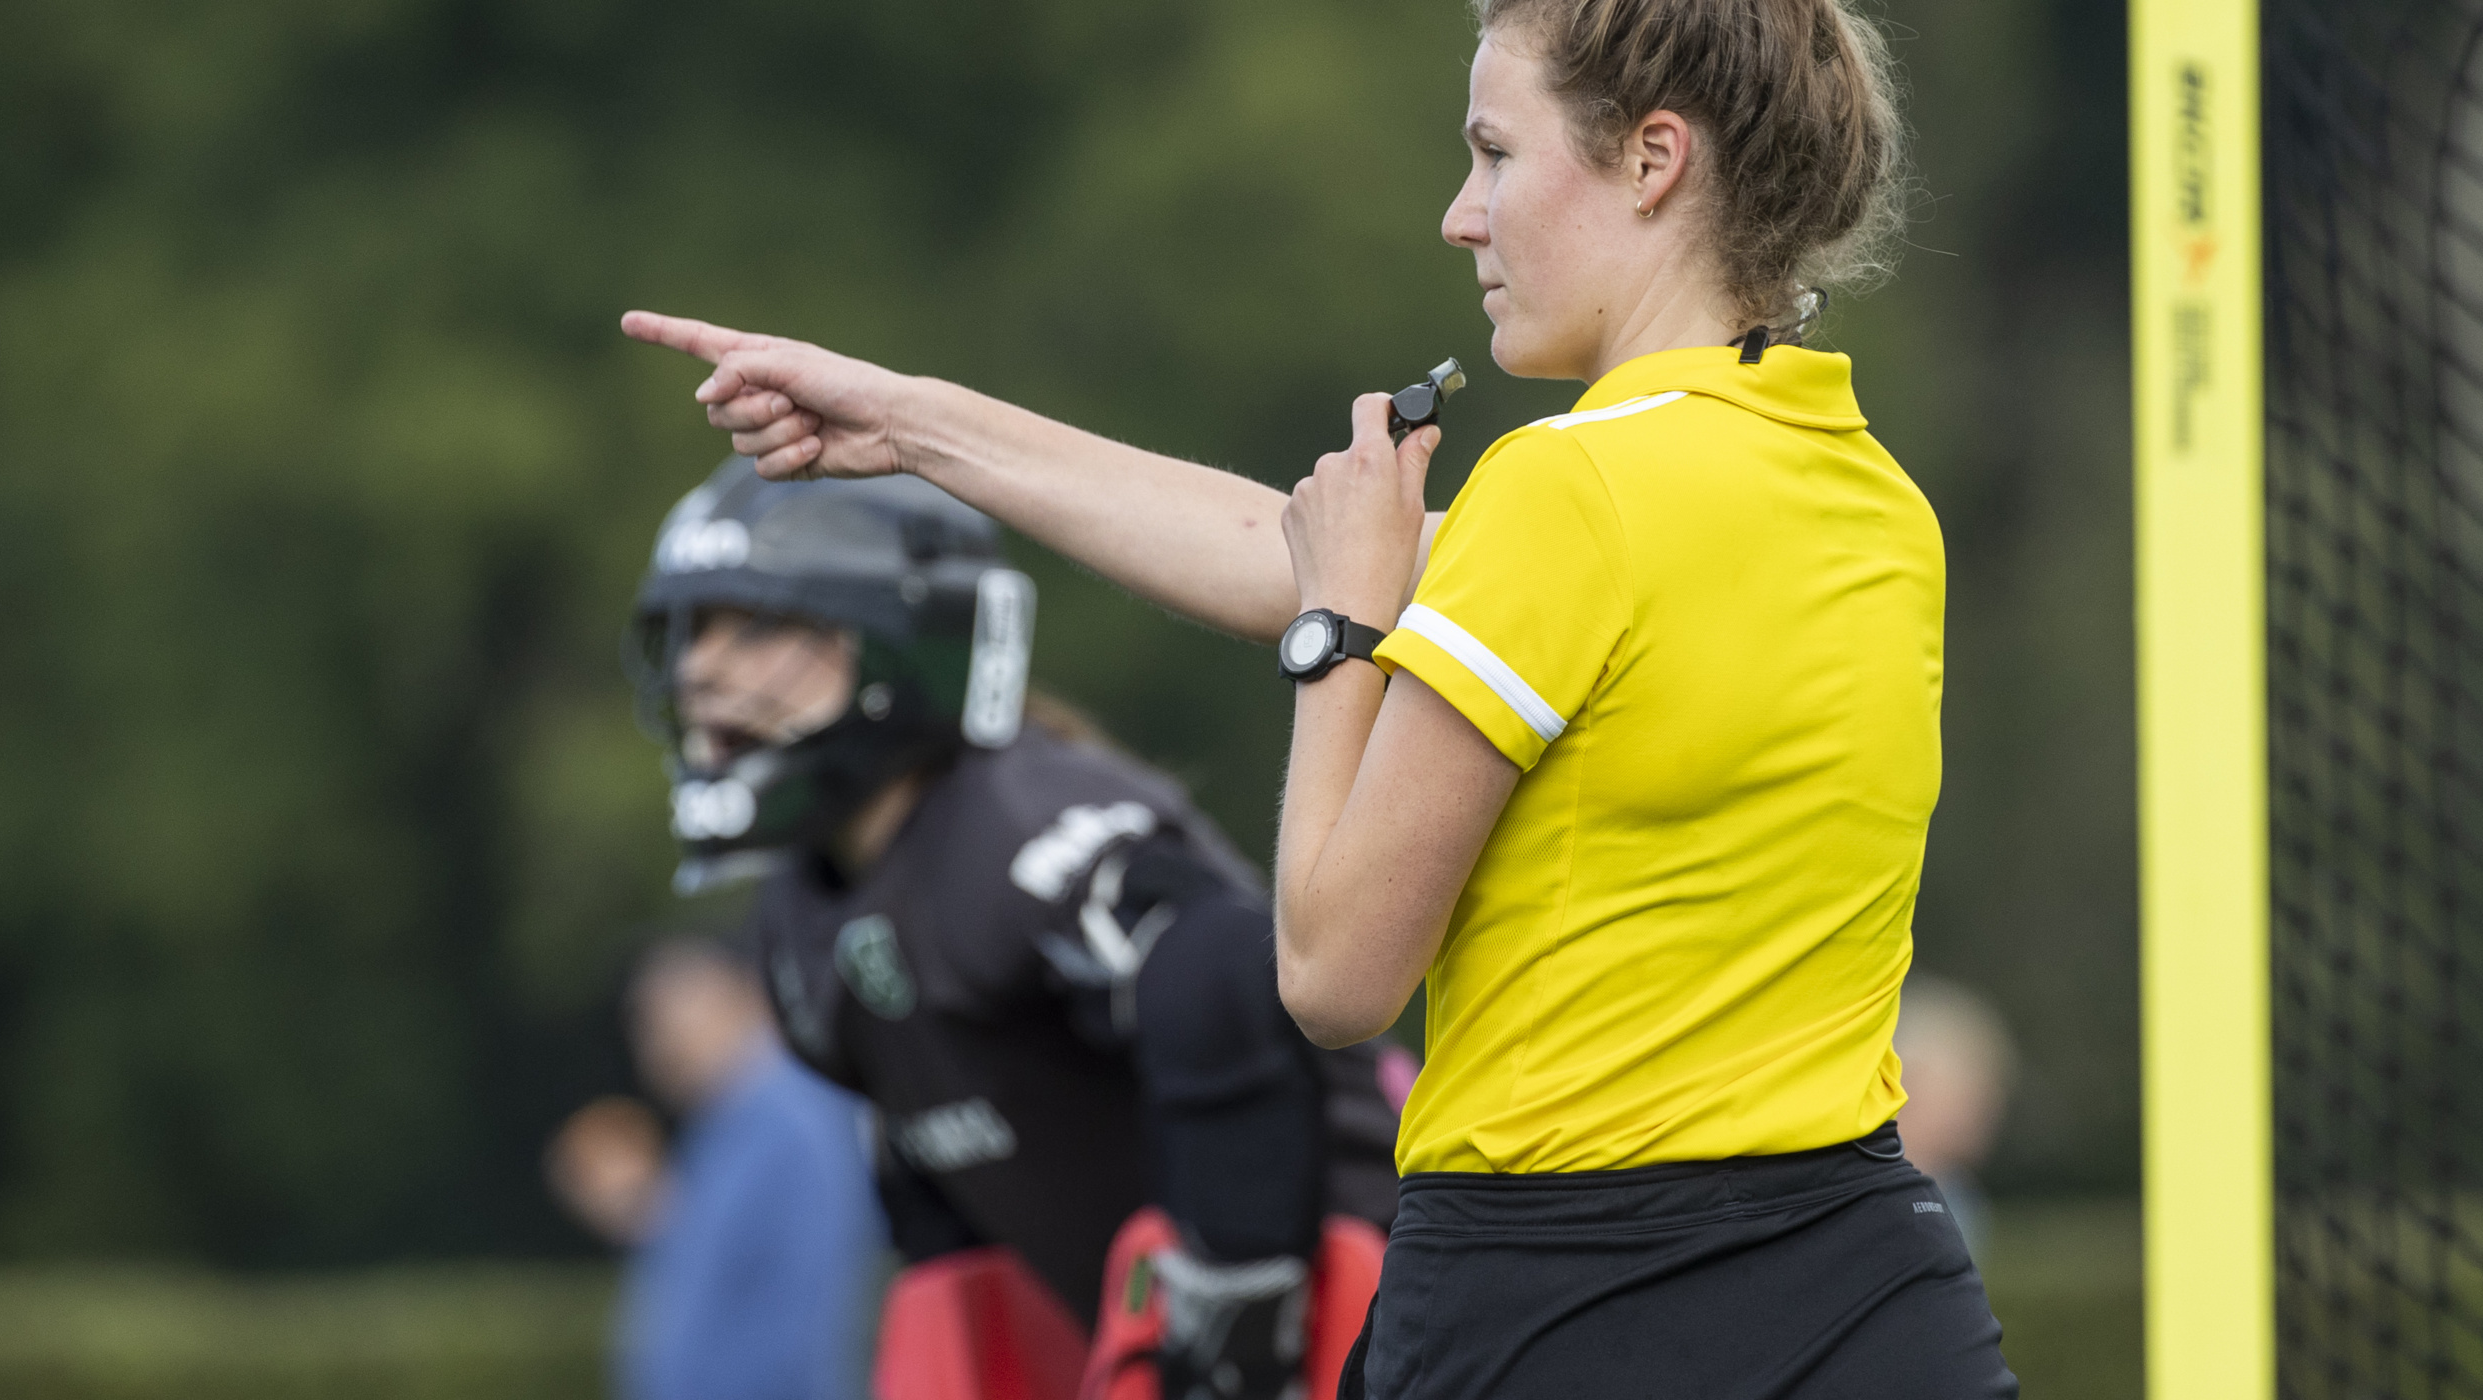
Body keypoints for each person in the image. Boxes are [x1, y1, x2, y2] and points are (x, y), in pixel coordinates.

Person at [621, 0, 2019, 1390]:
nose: (1460, 217)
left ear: (1655, 159)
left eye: (1493, 154)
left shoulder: (1566, 490)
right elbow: (1275, 548)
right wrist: (912, 423)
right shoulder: (1870, 495)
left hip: (1563, 1297)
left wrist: (1341, 633)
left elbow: (1335, 973)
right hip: (1874, 1288)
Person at [624, 461, 1402, 1400]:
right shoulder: (804, 911)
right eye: (695, 630)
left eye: (755, 626)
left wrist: (1233, 1294)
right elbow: (944, 1189)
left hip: (1379, 1294)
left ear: (892, 642)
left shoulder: (1019, 821)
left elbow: (1222, 968)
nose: (702, 667)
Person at [548, 938, 886, 1400]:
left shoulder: (793, 1121)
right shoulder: (722, 1131)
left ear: (726, 1000)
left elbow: (814, 1311)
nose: (650, 1048)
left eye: (658, 1020)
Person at [1894, 973, 2019, 1258]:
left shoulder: (1961, 1201)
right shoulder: (1848, 1187)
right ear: (1909, 1077)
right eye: (1973, 1076)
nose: (1992, 1099)